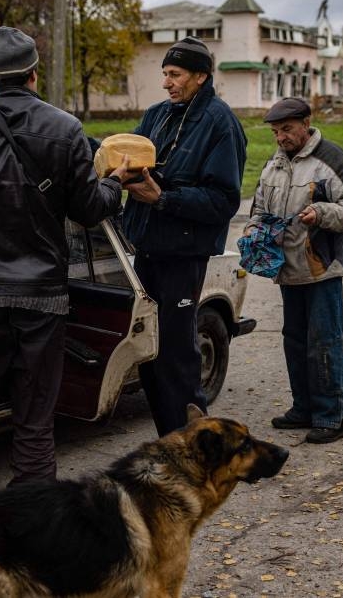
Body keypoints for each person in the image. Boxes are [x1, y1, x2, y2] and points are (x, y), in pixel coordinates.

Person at [0, 27, 131, 516]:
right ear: (33, 74)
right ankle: (33, 512)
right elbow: (90, 210)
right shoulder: (65, 129)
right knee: (34, 415)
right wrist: (115, 184)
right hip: (41, 296)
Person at [121, 36, 247, 437]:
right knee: (150, 352)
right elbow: (135, 157)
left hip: (183, 255)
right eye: (164, 74)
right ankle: (169, 442)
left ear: (200, 76)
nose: (166, 83)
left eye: (174, 75)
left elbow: (223, 199)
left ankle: (193, 449)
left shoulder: (220, 123)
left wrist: (164, 198)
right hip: (147, 249)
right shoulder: (158, 115)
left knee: (177, 355)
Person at [245, 97, 343, 443]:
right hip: (287, 269)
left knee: (324, 343)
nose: (280, 137)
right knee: (295, 342)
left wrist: (322, 214)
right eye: (275, 131)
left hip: (321, 268)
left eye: (286, 129)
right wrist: (253, 230)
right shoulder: (275, 163)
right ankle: (304, 409)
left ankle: (333, 417)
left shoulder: (331, 159)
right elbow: (258, 207)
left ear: (306, 123)